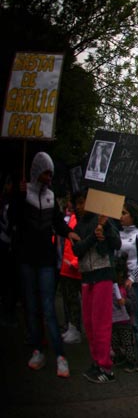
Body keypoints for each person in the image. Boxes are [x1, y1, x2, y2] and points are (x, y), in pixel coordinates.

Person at [12, 152, 80, 378]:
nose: (49, 177)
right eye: (46, 173)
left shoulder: (51, 197)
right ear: (37, 172)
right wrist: (17, 196)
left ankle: (60, 356)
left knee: (49, 308)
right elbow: (13, 219)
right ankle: (37, 349)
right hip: (26, 258)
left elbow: (57, 223)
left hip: (46, 260)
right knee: (32, 307)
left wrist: (69, 233)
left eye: (51, 173)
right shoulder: (22, 194)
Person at [73, 196, 122, 383]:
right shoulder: (79, 225)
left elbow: (115, 244)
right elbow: (77, 249)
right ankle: (97, 362)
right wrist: (94, 236)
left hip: (103, 275)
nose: (78, 207)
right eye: (77, 203)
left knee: (100, 323)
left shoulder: (104, 219)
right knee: (89, 323)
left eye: (82, 202)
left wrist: (106, 228)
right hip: (86, 277)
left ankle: (106, 367)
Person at [116, 201, 138, 372]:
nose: (121, 216)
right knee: (123, 322)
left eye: (124, 213)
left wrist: (131, 277)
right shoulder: (118, 234)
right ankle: (128, 356)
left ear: (132, 215)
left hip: (136, 283)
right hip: (120, 283)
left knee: (136, 322)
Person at [59, 196, 83, 344]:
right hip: (66, 268)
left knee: (81, 302)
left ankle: (78, 330)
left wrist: (75, 262)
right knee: (69, 300)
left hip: (78, 268)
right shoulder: (70, 218)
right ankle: (72, 328)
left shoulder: (83, 220)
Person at [111, 256, 137, 368]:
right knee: (114, 342)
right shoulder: (111, 286)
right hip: (113, 320)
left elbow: (134, 303)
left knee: (128, 343)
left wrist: (125, 301)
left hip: (125, 321)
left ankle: (131, 361)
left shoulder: (126, 286)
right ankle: (119, 357)